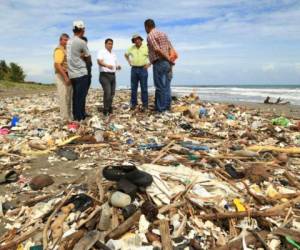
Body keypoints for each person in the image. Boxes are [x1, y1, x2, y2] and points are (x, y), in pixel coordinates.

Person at [144, 19, 174, 112]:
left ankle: (161, 109)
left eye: (145, 27)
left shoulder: (150, 35)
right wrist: (170, 61)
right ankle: (167, 106)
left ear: (147, 26)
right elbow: (171, 47)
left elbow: (157, 50)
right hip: (167, 63)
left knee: (160, 86)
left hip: (160, 62)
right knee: (167, 86)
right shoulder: (163, 34)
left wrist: (167, 59)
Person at [67, 20, 91, 121]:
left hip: (72, 74)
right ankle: (80, 117)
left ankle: (76, 116)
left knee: (75, 96)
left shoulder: (69, 41)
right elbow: (88, 57)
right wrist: (84, 58)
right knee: (81, 97)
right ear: (82, 30)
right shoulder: (81, 42)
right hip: (81, 73)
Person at [125, 34, 150, 111]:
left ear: (140, 39)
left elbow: (152, 55)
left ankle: (145, 105)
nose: (136, 41)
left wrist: (149, 64)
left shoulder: (146, 47)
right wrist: (129, 61)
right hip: (134, 69)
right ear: (133, 41)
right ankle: (133, 103)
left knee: (144, 88)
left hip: (143, 69)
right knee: (133, 88)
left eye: (138, 39)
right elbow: (126, 55)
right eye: (135, 40)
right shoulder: (131, 48)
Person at [97, 38, 121, 116]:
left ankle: (109, 107)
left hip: (113, 75)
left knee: (112, 93)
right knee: (107, 92)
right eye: (109, 43)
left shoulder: (113, 54)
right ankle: (105, 110)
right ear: (105, 44)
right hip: (104, 75)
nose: (110, 45)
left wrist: (117, 67)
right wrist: (107, 65)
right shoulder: (102, 51)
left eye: (111, 44)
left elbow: (115, 64)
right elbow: (99, 62)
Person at [53, 33, 72, 122]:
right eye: (65, 40)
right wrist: (65, 77)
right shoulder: (59, 50)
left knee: (68, 96)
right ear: (60, 40)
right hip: (61, 75)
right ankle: (64, 117)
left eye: (67, 40)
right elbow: (57, 65)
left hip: (67, 74)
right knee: (63, 96)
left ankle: (68, 115)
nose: (66, 41)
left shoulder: (66, 50)